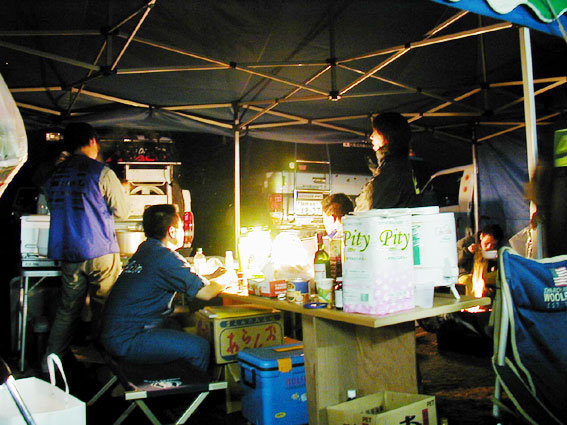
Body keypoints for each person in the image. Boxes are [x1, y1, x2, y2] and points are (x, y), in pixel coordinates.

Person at [99, 204, 228, 370]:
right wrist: (228, 278)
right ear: (172, 231)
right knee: (200, 347)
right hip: (128, 340)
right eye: (181, 227)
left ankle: (175, 378)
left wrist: (212, 277)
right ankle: (191, 387)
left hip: (113, 334)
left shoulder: (146, 250)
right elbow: (206, 293)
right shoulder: (164, 257)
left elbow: (180, 278)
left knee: (180, 325)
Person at [43, 122, 130, 362]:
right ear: (92, 141)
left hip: (68, 252)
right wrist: (122, 190)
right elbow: (122, 211)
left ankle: (50, 361)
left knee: (67, 310)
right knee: (106, 306)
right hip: (100, 251)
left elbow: (54, 205)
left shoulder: (54, 175)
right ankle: (106, 363)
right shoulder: (101, 172)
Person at [355, 112, 420, 211]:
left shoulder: (393, 169)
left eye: (375, 131)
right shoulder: (393, 166)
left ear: (387, 135)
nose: (371, 136)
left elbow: (377, 209)